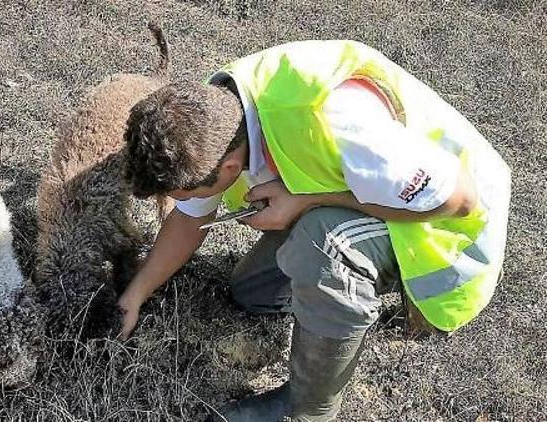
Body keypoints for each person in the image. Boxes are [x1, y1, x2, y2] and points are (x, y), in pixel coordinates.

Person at [119, 40, 511, 421]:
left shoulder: (339, 120)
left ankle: (308, 408)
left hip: (447, 230)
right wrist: (134, 295)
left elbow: (460, 200)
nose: (180, 199)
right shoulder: (215, 117)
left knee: (324, 245)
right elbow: (189, 218)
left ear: (227, 171)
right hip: (383, 190)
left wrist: (307, 201)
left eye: (180, 192)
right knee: (251, 292)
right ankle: (327, 306)